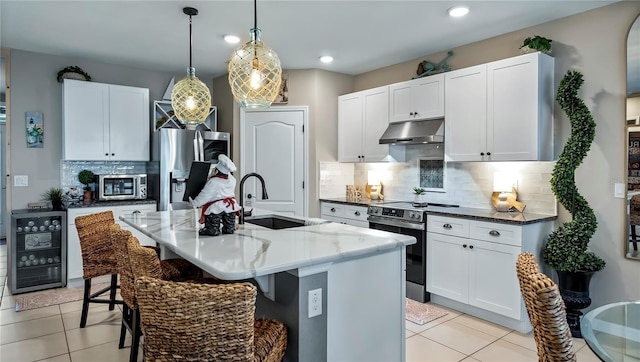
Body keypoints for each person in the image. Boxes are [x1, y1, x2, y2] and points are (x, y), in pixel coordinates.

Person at [190, 155, 241, 236]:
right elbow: (228, 175)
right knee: (229, 220)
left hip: (216, 206)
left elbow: (205, 195)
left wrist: (195, 203)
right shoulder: (232, 180)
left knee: (213, 219)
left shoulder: (214, 182)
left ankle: (213, 229)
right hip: (230, 206)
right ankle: (229, 228)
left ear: (217, 170)